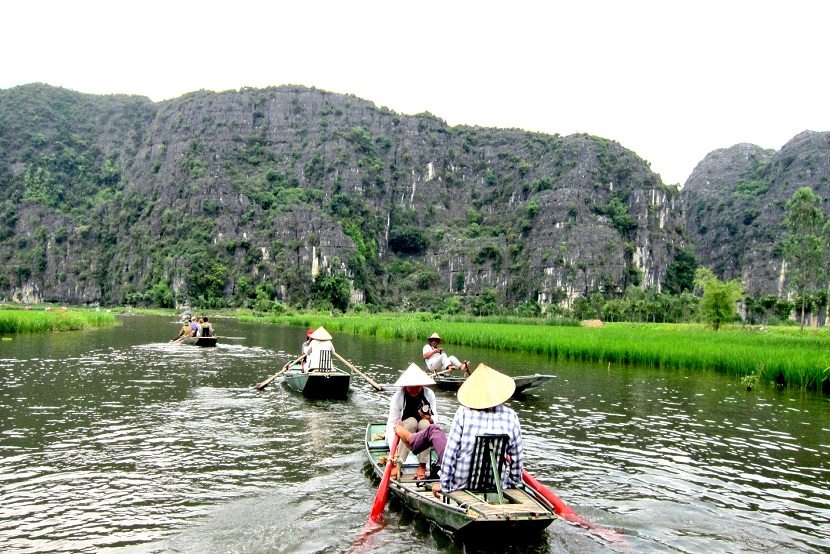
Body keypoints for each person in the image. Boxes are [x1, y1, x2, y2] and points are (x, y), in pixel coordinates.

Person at [433, 363, 523, 498]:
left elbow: (450, 454)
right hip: (495, 484)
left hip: (462, 484)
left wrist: (445, 485)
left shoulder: (463, 413)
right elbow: (517, 457)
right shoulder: (511, 416)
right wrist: (514, 483)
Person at [386, 363, 438, 480]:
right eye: (411, 386)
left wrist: (430, 419)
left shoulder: (429, 395)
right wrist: (392, 451)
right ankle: (398, 463)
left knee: (425, 425)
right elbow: (392, 424)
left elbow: (435, 419)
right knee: (411, 422)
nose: (414, 389)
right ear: (405, 385)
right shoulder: (398, 397)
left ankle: (422, 465)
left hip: (423, 427)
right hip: (405, 428)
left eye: (417, 386)